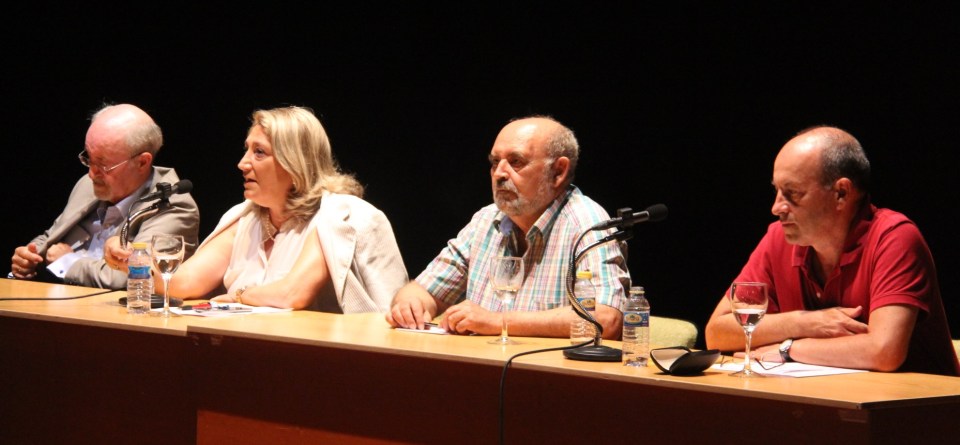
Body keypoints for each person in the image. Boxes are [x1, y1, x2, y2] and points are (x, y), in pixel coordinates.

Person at [705, 126, 959, 376]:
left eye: (792, 193)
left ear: (841, 193)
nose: (776, 207)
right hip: (827, 404)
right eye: (776, 191)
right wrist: (806, 322)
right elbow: (717, 332)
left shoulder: (894, 237)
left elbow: (884, 351)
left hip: (916, 410)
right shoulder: (778, 238)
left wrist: (789, 348)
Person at [106, 106, 407, 313]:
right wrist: (132, 260)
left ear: (294, 163)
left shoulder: (338, 214)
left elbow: (291, 295)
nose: (242, 163)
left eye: (259, 152)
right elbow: (183, 283)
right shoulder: (246, 216)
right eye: (247, 149)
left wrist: (237, 296)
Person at [386, 116, 629, 338]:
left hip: (549, 379)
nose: (499, 173)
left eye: (516, 161)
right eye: (494, 162)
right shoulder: (486, 221)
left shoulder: (587, 224)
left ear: (558, 171)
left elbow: (604, 319)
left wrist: (497, 322)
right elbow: (423, 291)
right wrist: (411, 306)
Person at [9, 104, 199, 289]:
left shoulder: (174, 207)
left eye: (103, 164)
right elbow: (51, 237)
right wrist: (29, 255)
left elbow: (134, 274)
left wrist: (67, 262)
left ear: (142, 162)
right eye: (88, 158)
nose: (92, 174)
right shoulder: (88, 184)